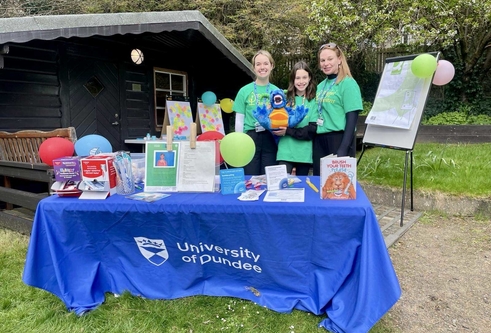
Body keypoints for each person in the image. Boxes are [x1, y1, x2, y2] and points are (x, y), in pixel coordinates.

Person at [313, 42, 363, 176]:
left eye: (330, 59)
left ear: (339, 59)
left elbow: (352, 120)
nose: (326, 63)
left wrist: (343, 149)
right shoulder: (320, 86)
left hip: (339, 139)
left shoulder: (348, 83)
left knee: (337, 185)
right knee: (320, 184)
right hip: (319, 140)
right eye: (322, 60)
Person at [233, 50, 280, 175]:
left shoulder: (277, 92)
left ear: (271, 65)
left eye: (266, 63)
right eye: (258, 64)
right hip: (250, 138)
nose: (262, 67)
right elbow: (239, 119)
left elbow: (281, 117)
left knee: (269, 177)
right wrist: (240, 141)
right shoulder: (244, 91)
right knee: (250, 176)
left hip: (270, 137)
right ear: (253, 67)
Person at [272, 61, 317, 176]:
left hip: (304, 154)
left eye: (304, 77)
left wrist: (287, 131)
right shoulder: (283, 97)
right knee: (282, 186)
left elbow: (310, 131)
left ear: (309, 78)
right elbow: (273, 119)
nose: (301, 82)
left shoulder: (314, 101)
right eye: (297, 78)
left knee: (301, 187)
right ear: (293, 79)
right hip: (285, 153)